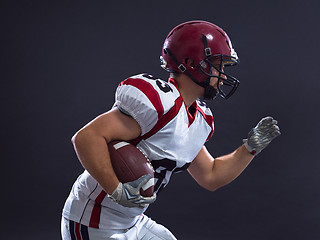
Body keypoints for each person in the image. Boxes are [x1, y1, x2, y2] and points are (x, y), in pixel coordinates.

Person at [61, 20, 281, 239]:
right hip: (92, 220)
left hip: (132, 222)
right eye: (218, 65)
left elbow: (211, 175)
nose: (223, 75)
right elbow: (86, 137)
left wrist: (250, 148)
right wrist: (115, 189)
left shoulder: (198, 118)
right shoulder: (159, 103)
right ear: (192, 62)